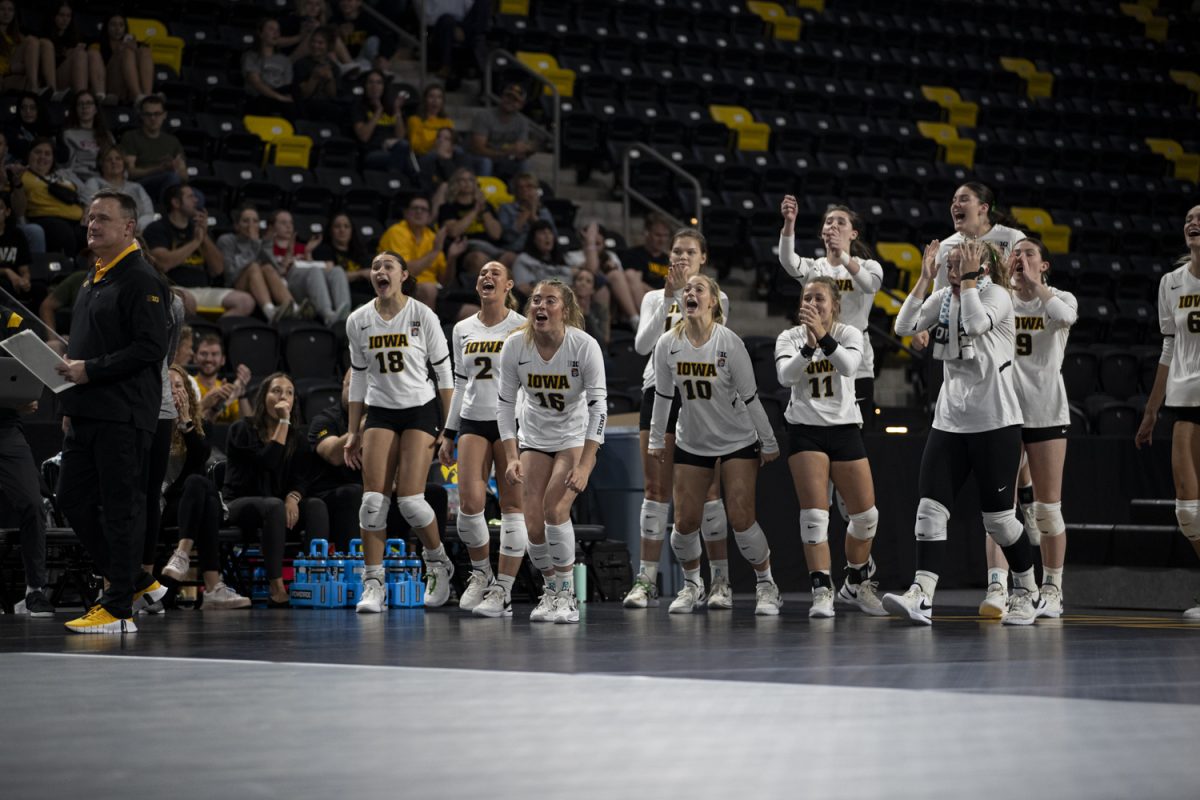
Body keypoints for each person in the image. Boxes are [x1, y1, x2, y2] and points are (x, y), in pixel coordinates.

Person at [886, 239, 1040, 626]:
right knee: (929, 511)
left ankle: (1028, 591)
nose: (951, 271)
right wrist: (923, 279)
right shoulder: (943, 295)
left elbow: (973, 323)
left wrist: (969, 281)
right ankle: (922, 595)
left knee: (1000, 522)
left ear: (982, 268)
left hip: (996, 422)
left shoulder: (998, 296)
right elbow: (903, 326)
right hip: (950, 420)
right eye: (949, 265)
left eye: (960, 264)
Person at [56, 189, 169, 634]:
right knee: (70, 500)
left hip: (123, 414)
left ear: (129, 227)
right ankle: (135, 580)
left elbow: (149, 348)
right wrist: (71, 395)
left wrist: (90, 371)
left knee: (122, 508)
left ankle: (119, 609)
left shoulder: (141, 278)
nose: (91, 224)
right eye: (89, 218)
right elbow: (87, 348)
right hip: (86, 410)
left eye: (102, 218)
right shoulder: (93, 276)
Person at [648, 274, 781, 614]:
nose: (691, 292)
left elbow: (751, 397)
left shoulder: (730, 343)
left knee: (740, 517)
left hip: (736, 438)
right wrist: (655, 439)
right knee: (684, 524)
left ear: (713, 302)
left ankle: (766, 584)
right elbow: (663, 396)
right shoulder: (667, 344)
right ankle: (693, 584)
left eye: (699, 289)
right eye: (687, 289)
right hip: (692, 440)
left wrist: (767, 440)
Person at [624, 229, 732, 611]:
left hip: (699, 396)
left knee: (709, 493)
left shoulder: (717, 298)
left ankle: (719, 580)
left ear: (703, 258)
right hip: (658, 393)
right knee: (655, 491)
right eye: (676, 251)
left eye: (690, 252)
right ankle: (646, 580)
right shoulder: (655, 297)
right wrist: (669, 298)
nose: (682, 257)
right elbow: (641, 346)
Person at [344, 250, 456, 612]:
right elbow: (359, 377)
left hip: (420, 410)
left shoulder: (423, 316)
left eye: (387, 266)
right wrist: (352, 431)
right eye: (375, 266)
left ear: (404, 275)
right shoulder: (358, 320)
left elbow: (444, 374)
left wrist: (449, 426)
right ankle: (373, 582)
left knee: (410, 501)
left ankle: (437, 560)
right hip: (379, 412)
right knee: (372, 503)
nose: (379, 270)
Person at [977, 237, 1078, 618]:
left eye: (1029, 253)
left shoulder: (1060, 298)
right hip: (1002, 414)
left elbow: (1065, 318)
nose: (1019, 257)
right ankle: (1000, 587)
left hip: (1047, 413)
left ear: (1044, 264)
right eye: (1014, 252)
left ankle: (1052, 589)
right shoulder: (998, 299)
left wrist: (1034, 284)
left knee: (1049, 511)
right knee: (1001, 512)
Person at [496, 278, 607, 623]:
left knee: (554, 509)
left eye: (550, 301)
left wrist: (585, 466)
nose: (541, 306)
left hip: (573, 436)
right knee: (532, 524)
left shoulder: (584, 346)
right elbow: (504, 405)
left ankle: (568, 593)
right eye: (536, 301)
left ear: (567, 310)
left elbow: (599, 408)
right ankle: (551, 589)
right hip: (533, 437)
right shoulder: (515, 346)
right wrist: (512, 455)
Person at [775, 277, 884, 618]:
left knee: (866, 517)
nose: (813, 304)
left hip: (844, 428)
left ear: (834, 305)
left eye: (819, 298)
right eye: (807, 298)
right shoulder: (789, 337)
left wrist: (822, 336)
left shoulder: (850, 333)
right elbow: (785, 377)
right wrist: (808, 346)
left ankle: (855, 579)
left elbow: (849, 366)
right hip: (806, 430)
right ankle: (822, 589)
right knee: (814, 517)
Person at [439, 261, 527, 617]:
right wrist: (449, 431)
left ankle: (503, 590)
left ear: (509, 285)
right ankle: (481, 575)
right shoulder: (463, 328)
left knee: (512, 508)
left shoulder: (522, 327)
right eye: (482, 273)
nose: (486, 277)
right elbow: (461, 384)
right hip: (474, 421)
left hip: (512, 424)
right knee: (469, 504)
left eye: (495, 274)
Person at [1136, 205, 1200, 620]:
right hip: (1185, 397)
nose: (1192, 222)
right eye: (1189, 219)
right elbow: (1169, 347)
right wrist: (1151, 409)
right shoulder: (1171, 283)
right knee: (1187, 509)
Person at [309, 368, 451, 552]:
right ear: (342, 387)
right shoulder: (326, 419)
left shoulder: (393, 420)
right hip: (340, 493)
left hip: (382, 491)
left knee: (435, 494)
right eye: (353, 385)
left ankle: (430, 568)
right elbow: (334, 455)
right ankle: (356, 565)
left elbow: (403, 466)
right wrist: (364, 425)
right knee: (356, 494)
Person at [223, 372, 328, 607]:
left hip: (278, 507)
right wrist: (283, 422)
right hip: (240, 504)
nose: (283, 397)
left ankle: (315, 578)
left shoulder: (297, 437)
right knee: (273, 506)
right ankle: (276, 587)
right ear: (263, 397)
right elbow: (267, 461)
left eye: (289, 393)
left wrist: (293, 496)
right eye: (277, 391)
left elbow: (302, 477)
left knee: (315, 505)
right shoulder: (243, 429)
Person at [779, 199, 885, 422]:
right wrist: (789, 223)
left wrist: (842, 256)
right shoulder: (814, 268)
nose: (834, 226)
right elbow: (788, 260)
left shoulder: (868, 266)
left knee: (857, 426)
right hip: (820, 357)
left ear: (853, 234)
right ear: (822, 233)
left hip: (857, 357)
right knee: (823, 420)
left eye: (841, 222)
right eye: (829, 222)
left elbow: (871, 285)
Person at [159, 365, 252, 608]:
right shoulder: (151, 424)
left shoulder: (200, 426)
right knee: (207, 496)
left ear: (188, 392)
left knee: (202, 488)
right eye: (169, 386)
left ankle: (182, 554)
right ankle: (212, 586)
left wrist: (186, 422)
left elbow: (199, 458)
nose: (175, 391)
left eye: (179, 386)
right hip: (158, 503)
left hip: (188, 504)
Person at [0, 301, 52, 616]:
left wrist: (26, 396)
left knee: (33, 502)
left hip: (5, 426)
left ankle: (35, 590)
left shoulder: (10, 318)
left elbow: (34, 367)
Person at [145, 184, 255, 316]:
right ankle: (192, 335)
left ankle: (216, 332)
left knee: (245, 301)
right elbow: (163, 264)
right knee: (187, 300)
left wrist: (204, 237)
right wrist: (196, 242)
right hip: (172, 288)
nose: (196, 200)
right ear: (175, 202)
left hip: (203, 290)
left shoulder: (197, 229)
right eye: (190, 196)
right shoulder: (157, 228)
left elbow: (218, 269)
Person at [379, 194, 468, 312]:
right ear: (406, 213)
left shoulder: (431, 236)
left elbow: (445, 281)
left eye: (423, 209)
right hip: (401, 289)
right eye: (415, 208)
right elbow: (404, 273)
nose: (419, 212)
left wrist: (452, 258)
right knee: (428, 289)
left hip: (433, 292)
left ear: (429, 216)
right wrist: (435, 251)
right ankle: (425, 330)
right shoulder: (396, 232)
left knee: (472, 311)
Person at [267, 208, 350, 326]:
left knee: (337, 270)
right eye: (283, 223)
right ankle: (328, 315)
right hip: (288, 287)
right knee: (314, 270)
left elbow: (313, 269)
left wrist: (308, 255)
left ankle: (345, 314)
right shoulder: (268, 247)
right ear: (272, 227)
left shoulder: (302, 247)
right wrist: (289, 255)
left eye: (290, 223)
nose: (288, 226)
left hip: (309, 284)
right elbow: (272, 274)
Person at [215, 204, 298, 321]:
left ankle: (293, 307)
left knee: (267, 268)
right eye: (245, 221)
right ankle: (269, 311)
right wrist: (254, 245)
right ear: (237, 226)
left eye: (255, 221)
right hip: (235, 284)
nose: (251, 225)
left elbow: (276, 271)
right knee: (254, 267)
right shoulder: (227, 240)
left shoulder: (260, 242)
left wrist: (267, 244)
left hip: (260, 285)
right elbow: (230, 273)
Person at [16, 137, 85, 255]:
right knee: (62, 232)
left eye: (47, 154)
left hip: (77, 220)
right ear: (28, 155)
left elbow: (81, 195)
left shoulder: (62, 176)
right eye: (38, 152)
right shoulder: (21, 175)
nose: (42, 157)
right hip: (46, 219)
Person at [567, 221, 640, 329]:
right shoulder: (573, 255)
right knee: (615, 276)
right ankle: (635, 320)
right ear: (584, 241)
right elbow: (591, 272)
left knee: (632, 276)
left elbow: (624, 281)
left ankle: (647, 318)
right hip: (594, 292)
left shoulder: (611, 255)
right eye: (592, 242)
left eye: (598, 244)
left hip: (617, 299)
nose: (594, 248)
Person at [118, 95, 186, 204]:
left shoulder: (173, 141)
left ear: (164, 115)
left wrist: (176, 167)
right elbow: (129, 173)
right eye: (148, 114)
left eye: (157, 114)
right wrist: (159, 169)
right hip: (140, 184)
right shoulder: (131, 137)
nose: (153, 118)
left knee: (197, 197)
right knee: (171, 178)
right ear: (141, 116)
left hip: (169, 181)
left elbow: (184, 176)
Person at [352, 69, 416, 181]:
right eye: (370, 82)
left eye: (379, 82)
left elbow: (400, 137)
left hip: (394, 151)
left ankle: (393, 182)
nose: (374, 86)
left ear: (384, 87)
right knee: (407, 162)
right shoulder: (359, 107)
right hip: (371, 153)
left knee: (403, 149)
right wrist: (378, 111)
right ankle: (396, 182)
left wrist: (397, 111)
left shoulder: (391, 109)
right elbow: (363, 136)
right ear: (365, 86)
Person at [469, 82, 538, 181]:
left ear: (521, 105)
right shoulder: (484, 116)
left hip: (504, 160)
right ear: (502, 97)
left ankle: (522, 194)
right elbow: (478, 149)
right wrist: (506, 153)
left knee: (524, 164)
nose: (510, 101)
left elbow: (520, 148)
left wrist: (526, 150)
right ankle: (483, 192)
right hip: (479, 158)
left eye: (515, 100)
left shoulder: (522, 122)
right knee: (486, 162)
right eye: (508, 96)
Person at [81, 145, 155, 231]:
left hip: (137, 230)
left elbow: (149, 213)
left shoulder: (136, 187)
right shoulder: (94, 182)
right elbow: (89, 209)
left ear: (124, 163)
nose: (114, 162)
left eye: (118, 158)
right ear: (101, 164)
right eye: (109, 160)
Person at [37, 2, 100, 98]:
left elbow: (95, 41)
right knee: (80, 55)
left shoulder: (75, 36)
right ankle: (81, 97)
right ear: (54, 16)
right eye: (61, 15)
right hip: (51, 80)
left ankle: (96, 95)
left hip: (71, 78)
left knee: (88, 54)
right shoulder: (45, 35)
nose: (65, 19)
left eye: (68, 16)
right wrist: (66, 55)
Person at [311, 211, 373, 305]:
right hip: (342, 295)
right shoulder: (324, 250)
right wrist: (359, 274)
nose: (342, 230)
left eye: (346, 226)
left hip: (366, 292)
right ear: (330, 230)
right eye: (337, 226)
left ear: (352, 230)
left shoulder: (359, 251)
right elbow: (330, 278)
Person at [91, 14, 154, 104]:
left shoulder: (131, 43)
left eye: (121, 25)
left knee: (145, 51)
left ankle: (147, 96)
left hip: (129, 88)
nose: (117, 29)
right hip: (111, 86)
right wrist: (119, 51)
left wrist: (135, 50)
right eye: (113, 25)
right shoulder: (98, 44)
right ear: (106, 27)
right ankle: (139, 96)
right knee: (127, 53)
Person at [193, 334, 251, 425]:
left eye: (214, 354)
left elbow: (248, 425)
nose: (209, 359)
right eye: (204, 354)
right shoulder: (187, 384)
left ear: (223, 360)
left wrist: (242, 393)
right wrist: (218, 406)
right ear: (195, 358)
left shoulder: (226, 389)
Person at [241, 17, 294, 115]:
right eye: (271, 29)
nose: (276, 33)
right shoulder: (251, 56)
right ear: (260, 33)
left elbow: (287, 85)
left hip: (280, 95)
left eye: (278, 30)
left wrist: (283, 97)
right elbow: (256, 83)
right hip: (259, 97)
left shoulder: (285, 60)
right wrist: (278, 97)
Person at [58, 90, 112, 181]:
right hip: (79, 179)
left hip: (105, 178)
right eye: (80, 104)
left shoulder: (107, 135)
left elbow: (114, 159)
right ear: (76, 109)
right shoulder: (68, 134)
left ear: (95, 109)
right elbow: (67, 166)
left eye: (89, 103)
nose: (85, 107)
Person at [497, 171, 554, 253]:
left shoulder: (544, 211)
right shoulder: (506, 208)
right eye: (520, 187)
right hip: (514, 250)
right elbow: (507, 237)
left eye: (529, 187)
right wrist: (526, 212)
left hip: (539, 252)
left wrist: (533, 215)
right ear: (515, 191)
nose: (525, 190)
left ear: (536, 190)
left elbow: (552, 237)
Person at [621, 212, 672, 301]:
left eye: (665, 236)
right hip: (646, 299)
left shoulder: (669, 259)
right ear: (646, 233)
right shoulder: (633, 255)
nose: (662, 240)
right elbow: (634, 282)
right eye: (658, 235)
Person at [0, 191, 37, 309]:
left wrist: (25, 280)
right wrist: (7, 271)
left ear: (7, 212)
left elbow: (24, 269)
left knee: (39, 289)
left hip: (14, 283)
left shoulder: (16, 235)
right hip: (4, 283)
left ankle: (33, 325)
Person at [0, 0, 45, 93]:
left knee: (44, 43)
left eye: (10, 10)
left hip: (22, 76)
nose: (6, 13)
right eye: (2, 9)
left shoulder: (17, 36)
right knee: (31, 41)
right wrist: (10, 69)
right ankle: (34, 88)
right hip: (5, 77)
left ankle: (49, 89)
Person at [407, 83, 453, 158]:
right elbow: (414, 146)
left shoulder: (447, 122)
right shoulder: (415, 120)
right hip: (424, 156)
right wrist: (436, 143)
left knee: (458, 151)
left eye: (439, 97)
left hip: (445, 155)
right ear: (425, 100)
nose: (435, 100)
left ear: (442, 101)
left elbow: (452, 143)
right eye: (431, 96)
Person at [573, 268, 609, 347]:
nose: (583, 283)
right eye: (580, 279)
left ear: (593, 289)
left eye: (588, 281)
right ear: (574, 285)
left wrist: (588, 315)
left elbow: (604, 341)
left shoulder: (601, 309)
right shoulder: (564, 308)